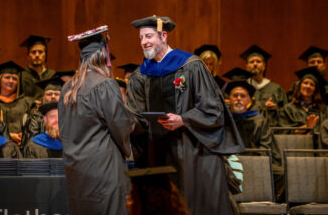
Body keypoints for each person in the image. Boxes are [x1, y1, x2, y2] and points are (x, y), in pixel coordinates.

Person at [127, 15, 244, 215]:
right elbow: (136, 116)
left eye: (148, 36)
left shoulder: (191, 66)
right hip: (159, 154)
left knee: (197, 205)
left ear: (163, 36)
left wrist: (183, 119)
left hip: (195, 151)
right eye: (141, 38)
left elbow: (213, 109)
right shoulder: (140, 75)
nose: (144, 42)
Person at [59, 25, 134, 214]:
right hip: (103, 168)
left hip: (76, 170)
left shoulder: (67, 88)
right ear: (103, 56)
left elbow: (64, 130)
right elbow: (120, 126)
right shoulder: (106, 84)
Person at [278, 67, 328, 145]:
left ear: (315, 89)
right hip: (294, 148)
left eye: (312, 84)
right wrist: (307, 127)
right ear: (299, 86)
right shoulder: (288, 109)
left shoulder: (323, 110)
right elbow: (283, 132)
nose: (308, 86)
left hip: (318, 148)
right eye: (305, 83)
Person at [240, 45, 287, 126]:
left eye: (258, 61)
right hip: (246, 130)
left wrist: (274, 109)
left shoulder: (276, 89)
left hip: (271, 131)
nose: (255, 64)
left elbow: (285, 114)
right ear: (246, 66)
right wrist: (263, 108)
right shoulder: (242, 88)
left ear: (264, 65)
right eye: (251, 62)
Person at [0, 61, 34, 146]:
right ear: (0, 80)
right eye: (7, 77)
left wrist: (25, 135)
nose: (11, 81)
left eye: (14, 79)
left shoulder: (26, 102)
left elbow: (32, 124)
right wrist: (9, 136)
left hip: (21, 146)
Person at [21, 76, 64, 149]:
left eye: (57, 94)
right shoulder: (35, 117)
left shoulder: (69, 115)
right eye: (49, 94)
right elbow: (30, 144)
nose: (53, 96)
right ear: (43, 97)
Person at [19, 35, 56, 99]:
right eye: (33, 52)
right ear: (28, 56)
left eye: (40, 52)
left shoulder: (53, 75)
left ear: (45, 55)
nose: (37, 55)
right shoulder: (21, 75)